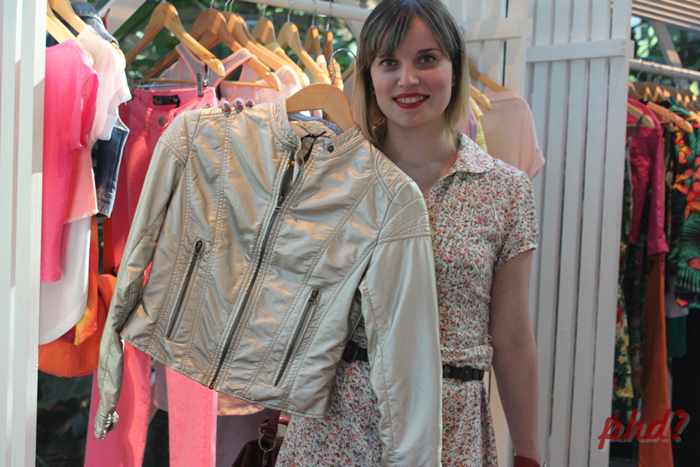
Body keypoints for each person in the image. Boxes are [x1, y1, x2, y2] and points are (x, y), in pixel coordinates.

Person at [276, 0, 542, 465]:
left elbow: (514, 339)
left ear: (455, 69)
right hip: (333, 428)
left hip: (449, 430)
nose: (407, 79)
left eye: (426, 59)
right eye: (389, 63)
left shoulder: (504, 190)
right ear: (369, 76)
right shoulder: (333, 175)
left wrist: (530, 454)